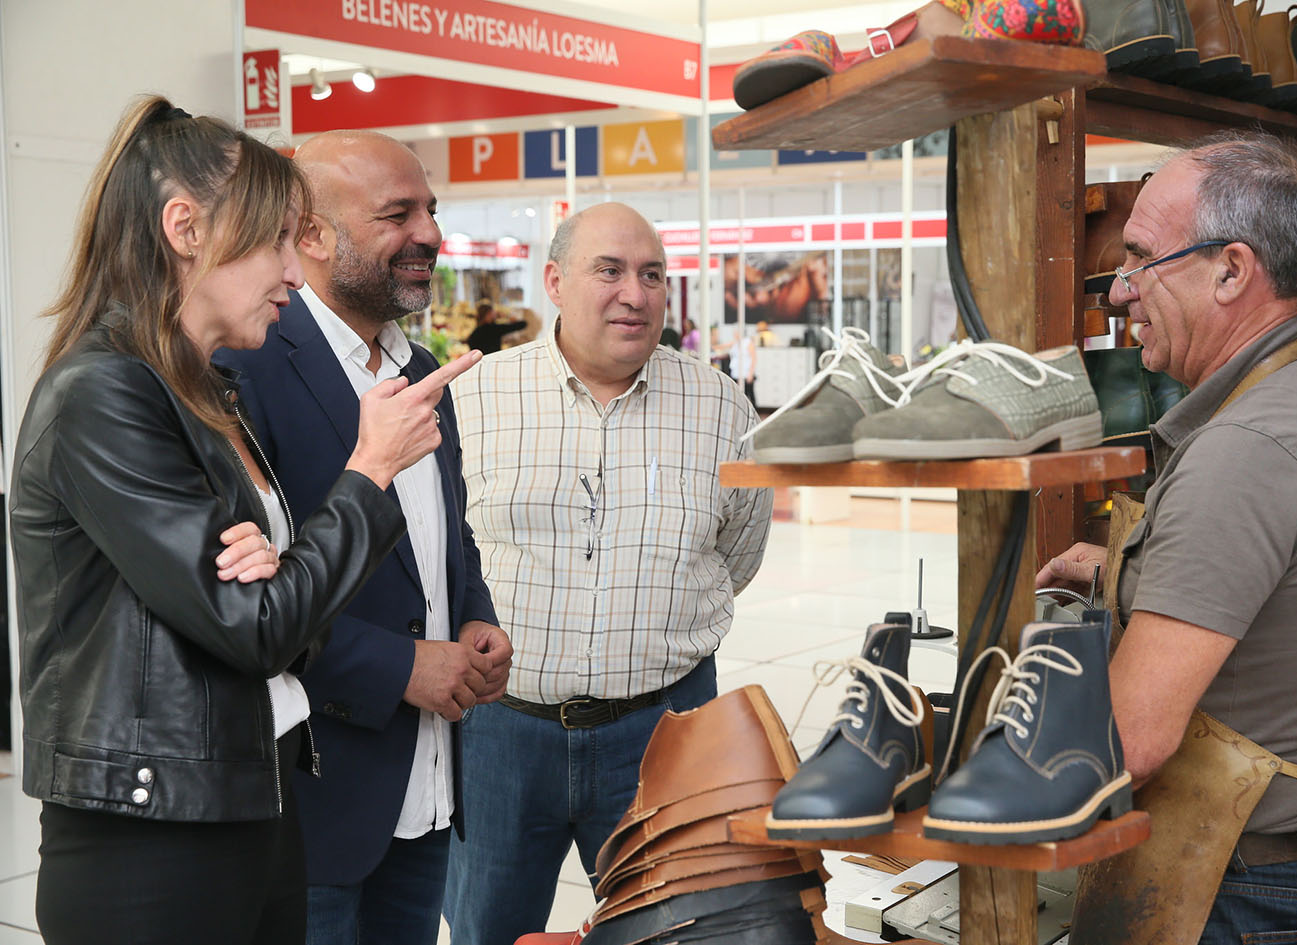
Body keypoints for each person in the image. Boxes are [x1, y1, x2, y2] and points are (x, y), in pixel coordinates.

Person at [10, 96, 475, 945]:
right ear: (185, 229)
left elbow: (280, 602)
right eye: (273, 243)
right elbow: (256, 623)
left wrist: (284, 569)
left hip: (250, 795)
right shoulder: (102, 393)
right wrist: (367, 470)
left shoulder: (205, 394)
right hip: (152, 839)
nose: (295, 275)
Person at [1036, 132, 1297, 941]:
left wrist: (966, 777)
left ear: (1232, 269)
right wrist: (1125, 570)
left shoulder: (1247, 451)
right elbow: (1287, 583)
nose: (1120, 292)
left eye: (1140, 259)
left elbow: (1129, 741)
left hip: (1239, 894)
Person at [443, 202, 774, 945]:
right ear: (554, 282)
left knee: (677, 931)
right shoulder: (473, 400)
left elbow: (735, 553)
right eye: (610, 270)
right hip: (500, 735)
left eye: (652, 274)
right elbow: (437, 557)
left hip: (664, 731)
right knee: (485, 928)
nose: (635, 292)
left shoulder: (720, 408)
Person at [215, 130, 511, 945]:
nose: (428, 233)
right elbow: (240, 596)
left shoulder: (419, 372)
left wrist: (473, 613)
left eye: (432, 210)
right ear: (310, 234)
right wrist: (399, 666)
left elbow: (441, 536)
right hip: (318, 800)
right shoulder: (245, 371)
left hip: (427, 790)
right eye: (396, 214)